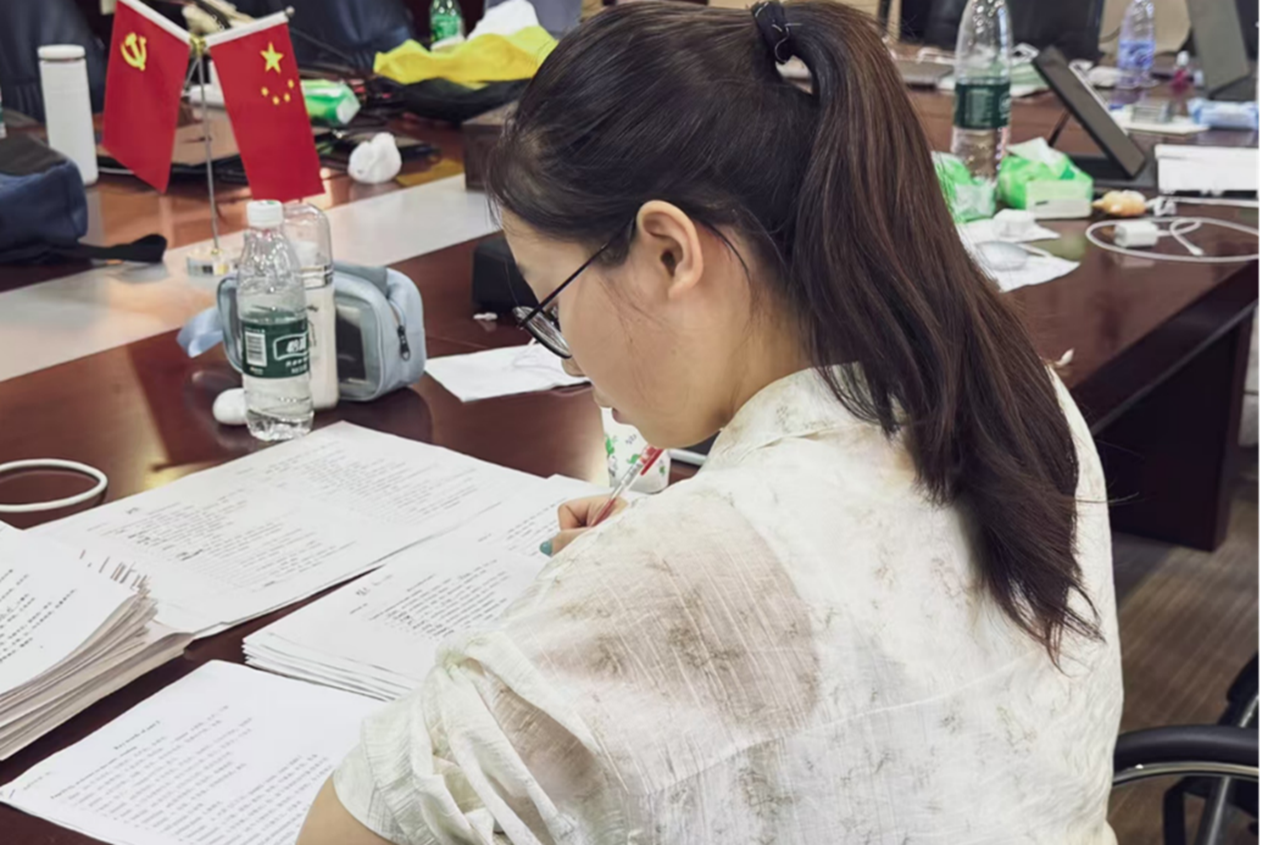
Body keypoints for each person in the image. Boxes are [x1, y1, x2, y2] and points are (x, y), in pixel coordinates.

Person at [296, 2, 1123, 843]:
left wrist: (642, 584)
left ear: (669, 252)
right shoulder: (1018, 396)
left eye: (551, 302)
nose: (568, 357)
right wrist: (657, 576)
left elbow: (346, 830)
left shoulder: (697, 560)